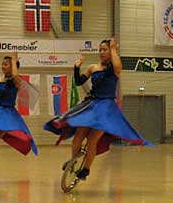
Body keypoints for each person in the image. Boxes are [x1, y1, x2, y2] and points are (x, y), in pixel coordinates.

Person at [43, 38, 153, 180]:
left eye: (104, 49)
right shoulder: (93, 67)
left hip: (106, 109)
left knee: (91, 141)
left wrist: (113, 49)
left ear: (111, 51)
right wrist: (77, 68)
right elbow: (78, 82)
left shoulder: (114, 68)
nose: (101, 52)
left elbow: (118, 67)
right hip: (92, 104)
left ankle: (86, 169)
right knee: (78, 137)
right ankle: (73, 161)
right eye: (100, 50)